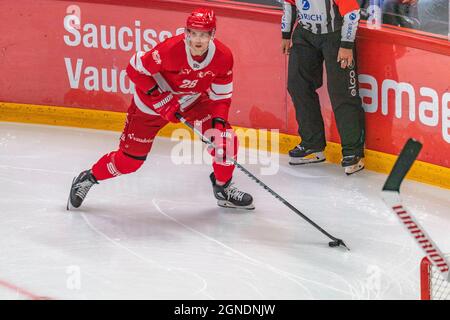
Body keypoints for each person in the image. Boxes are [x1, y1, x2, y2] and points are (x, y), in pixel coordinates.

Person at [67, 8, 254, 211]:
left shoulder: (223, 57)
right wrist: (159, 98)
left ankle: (223, 188)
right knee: (130, 162)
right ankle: (88, 178)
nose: (197, 40)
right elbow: (134, 69)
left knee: (225, 140)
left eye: (203, 34)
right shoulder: (169, 50)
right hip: (149, 106)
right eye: (193, 33)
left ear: (212, 35)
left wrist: (218, 123)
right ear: (186, 33)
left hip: (193, 102)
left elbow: (222, 97)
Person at [280, 0, 366, 175]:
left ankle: (353, 152)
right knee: (297, 85)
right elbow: (289, 4)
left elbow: (351, 12)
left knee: (342, 93)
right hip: (305, 33)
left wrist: (346, 44)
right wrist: (286, 33)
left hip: (336, 35)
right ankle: (312, 144)